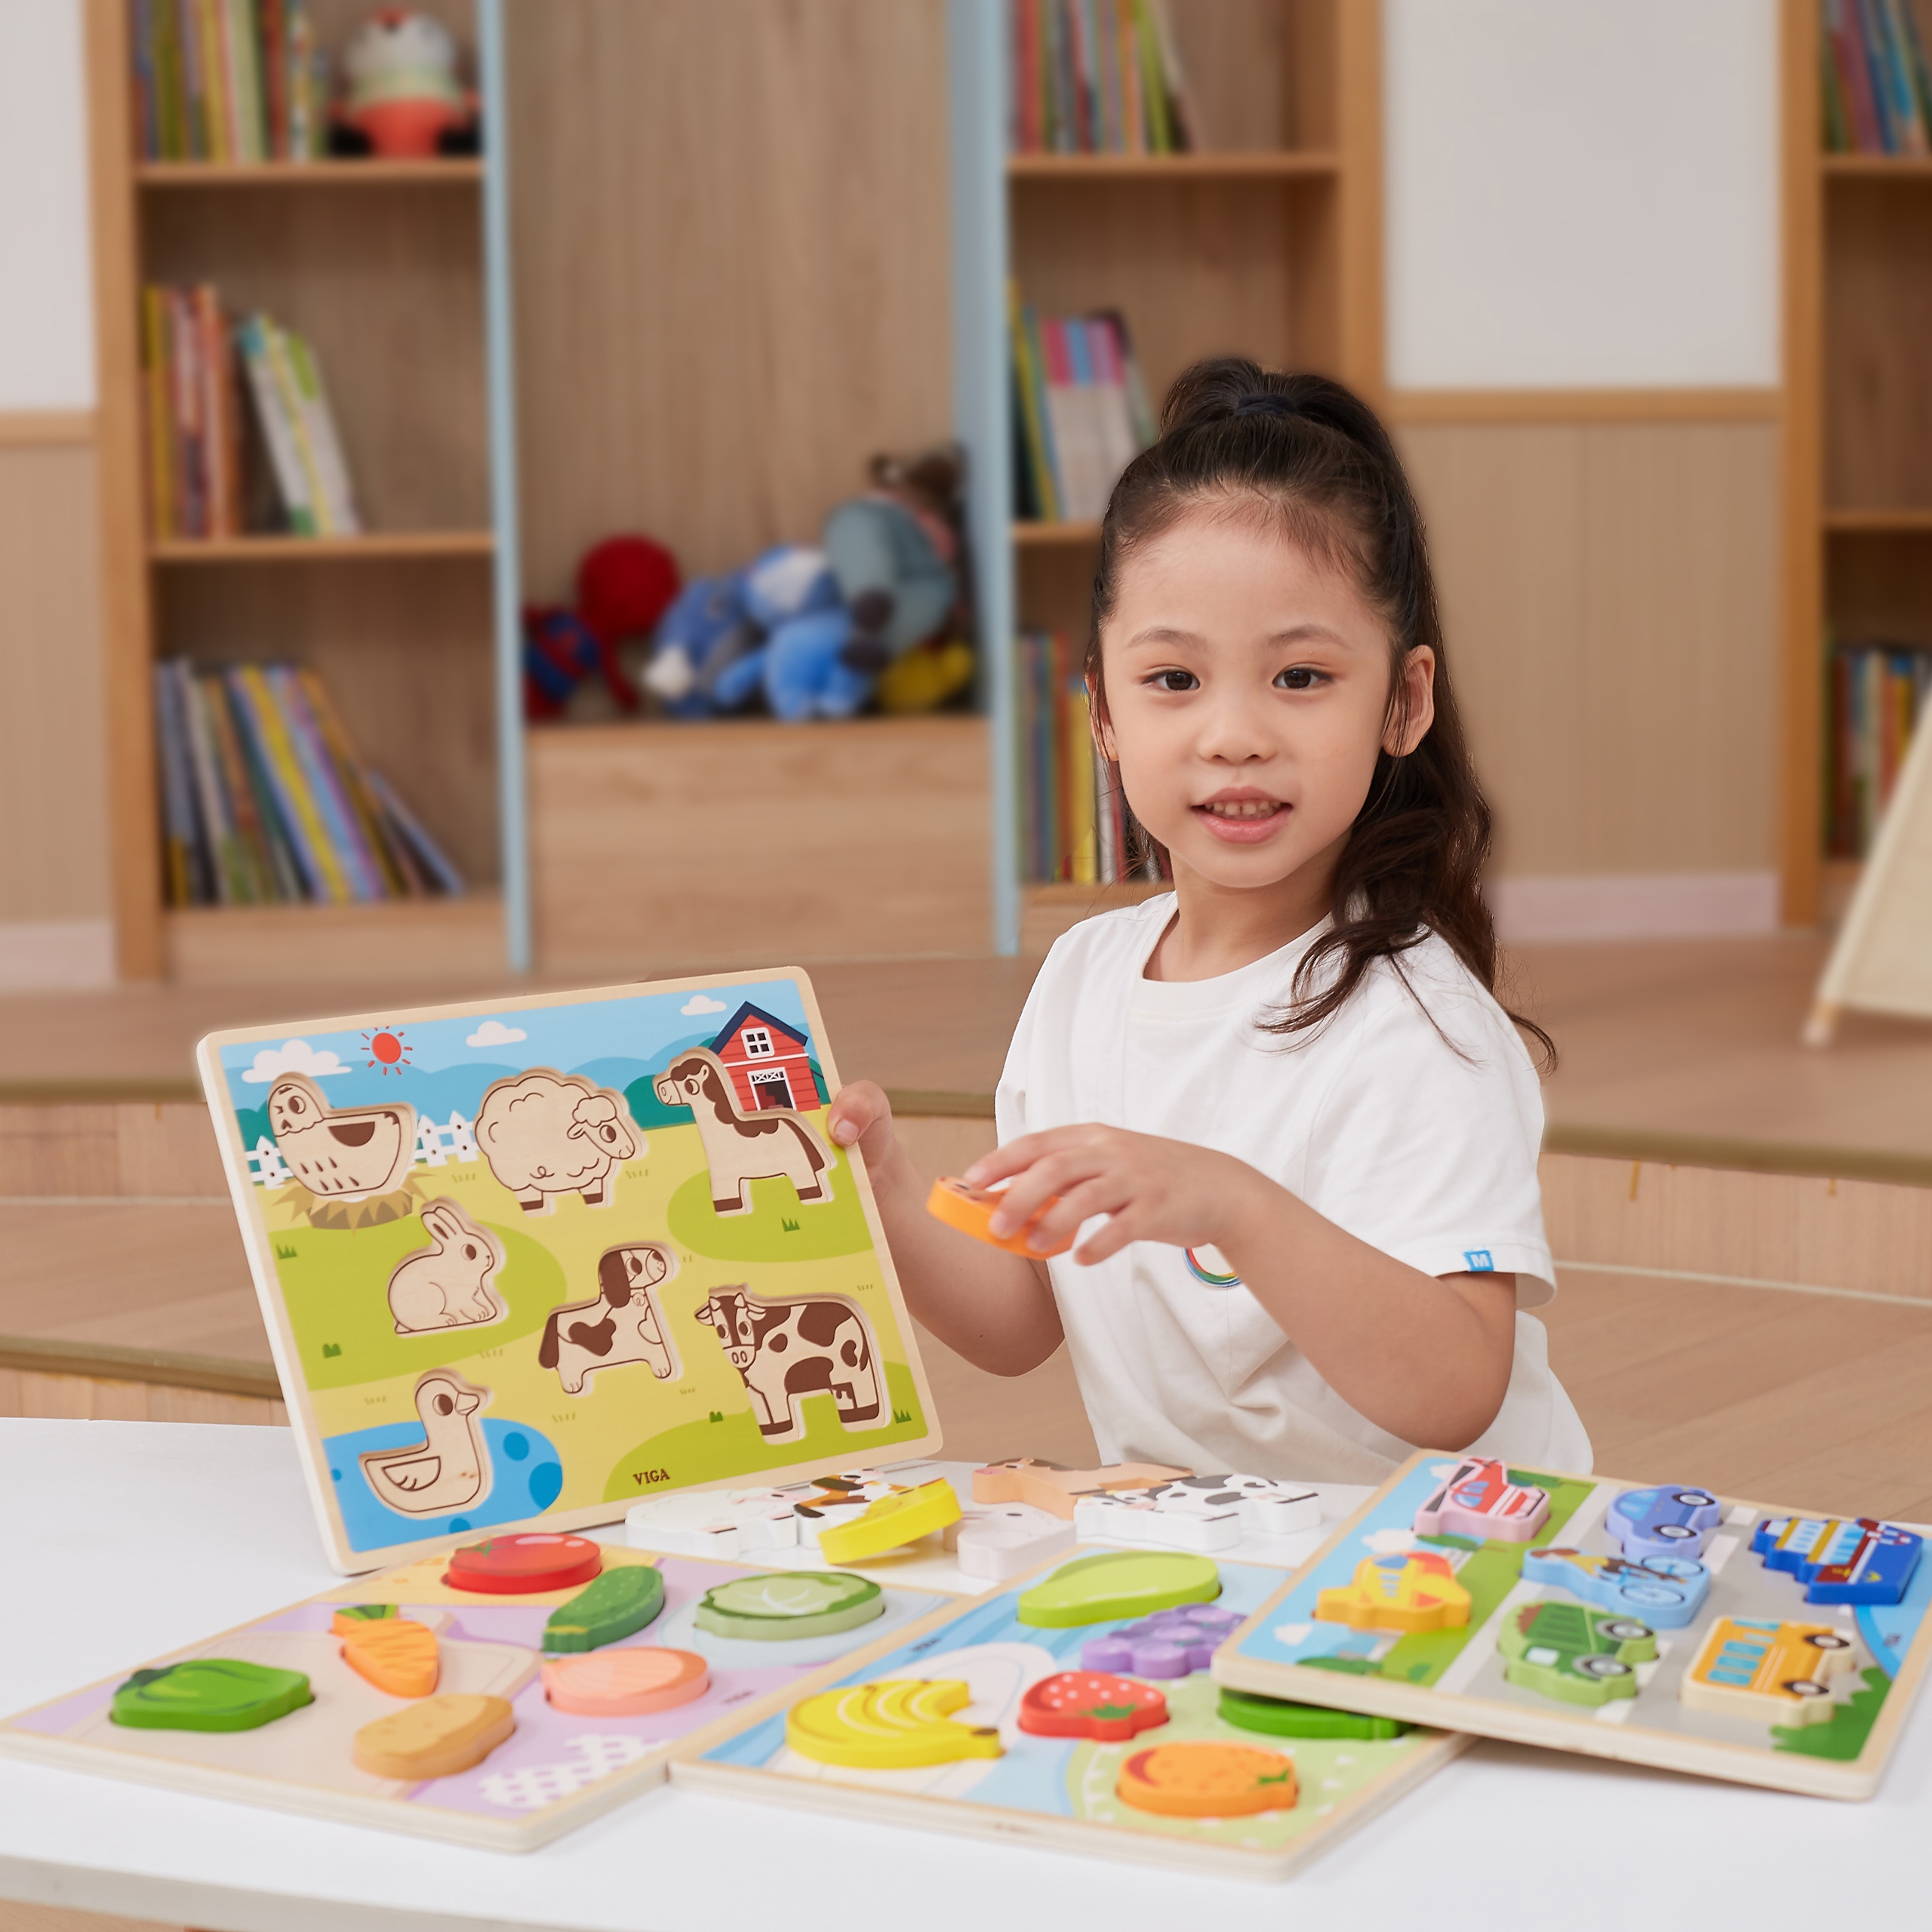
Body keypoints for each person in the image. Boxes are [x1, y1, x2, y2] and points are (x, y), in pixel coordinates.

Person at [830, 357, 1591, 1484]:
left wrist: (1234, 1206)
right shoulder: (1083, 977)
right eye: (1175, 681)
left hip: (1443, 1552)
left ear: (1403, 702)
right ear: (1102, 710)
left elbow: (1456, 1388)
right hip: (1209, 1541)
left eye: (1300, 677)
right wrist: (887, 1192)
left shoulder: (1422, 1023)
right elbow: (1022, 1318)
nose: (1233, 736)